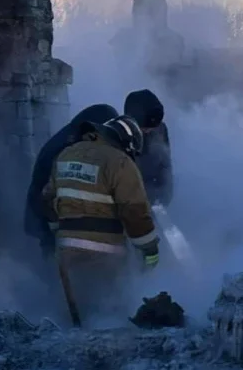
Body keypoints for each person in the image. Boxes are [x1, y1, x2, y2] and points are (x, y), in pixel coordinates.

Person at [41, 115, 160, 320]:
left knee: (77, 316)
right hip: (105, 254)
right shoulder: (120, 162)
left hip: (66, 250)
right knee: (109, 313)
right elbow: (134, 211)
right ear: (126, 143)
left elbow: (48, 199)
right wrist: (150, 250)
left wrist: (57, 230)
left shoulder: (66, 154)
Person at [24, 104, 120, 257]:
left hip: (49, 217)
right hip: (48, 219)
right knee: (54, 263)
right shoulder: (67, 148)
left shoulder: (71, 136)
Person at [124, 89, 173, 207]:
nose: (149, 131)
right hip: (129, 195)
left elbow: (165, 163)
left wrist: (166, 193)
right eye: (145, 128)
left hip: (152, 192)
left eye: (153, 126)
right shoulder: (122, 134)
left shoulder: (159, 129)